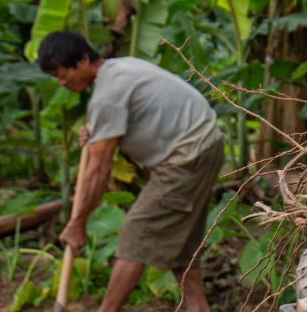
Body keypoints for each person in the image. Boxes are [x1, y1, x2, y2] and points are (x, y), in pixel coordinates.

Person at [38, 30, 223, 312]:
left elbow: (99, 168)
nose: (61, 82)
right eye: (55, 77)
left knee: (136, 232)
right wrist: (97, 132)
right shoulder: (121, 68)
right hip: (203, 145)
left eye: (63, 73)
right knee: (182, 253)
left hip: (188, 155)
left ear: (84, 59)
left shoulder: (107, 95)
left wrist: (78, 224)